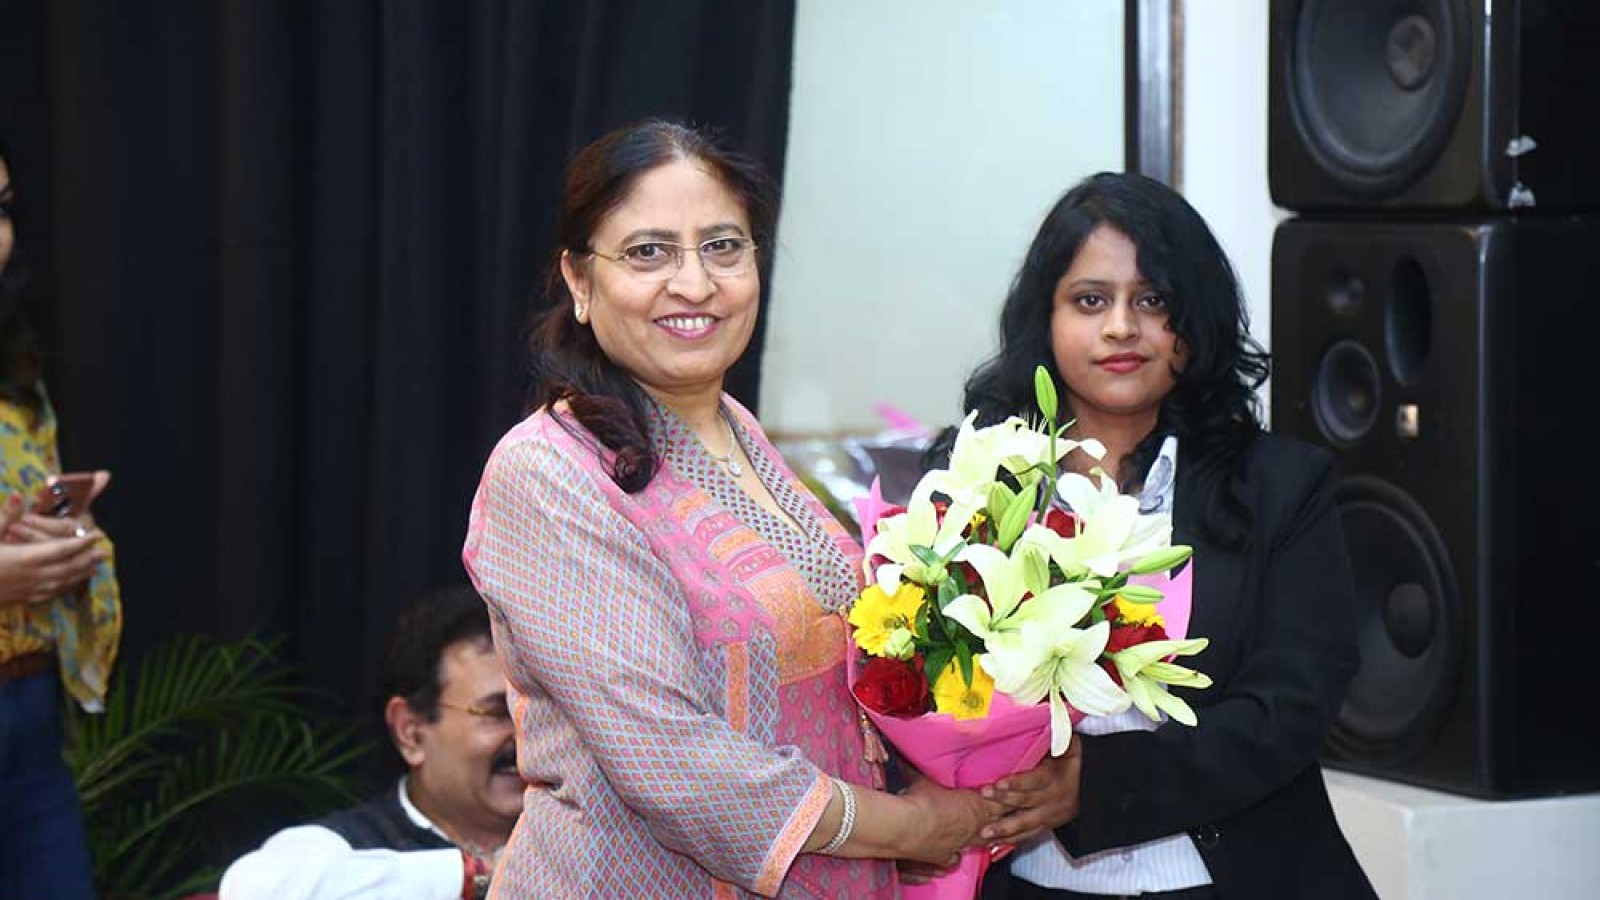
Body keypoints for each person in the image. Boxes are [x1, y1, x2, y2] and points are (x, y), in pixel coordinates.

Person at [460, 118, 1003, 898]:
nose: (694, 284)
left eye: (722, 246)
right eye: (648, 252)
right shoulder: (548, 472)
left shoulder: (736, 430)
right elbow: (668, 759)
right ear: (580, 281)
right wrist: (912, 827)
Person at [929, 172, 1376, 899]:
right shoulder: (975, 474)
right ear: (1045, 316)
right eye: (1090, 300)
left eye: (1153, 300)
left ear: (1195, 319)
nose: (1120, 328)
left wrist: (1099, 785)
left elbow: (1292, 705)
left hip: (1232, 882)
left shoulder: (1281, 485)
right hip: (1026, 883)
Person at [220, 584, 519, 900]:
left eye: (538, 717)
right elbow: (251, 890)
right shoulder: (346, 847)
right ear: (410, 732)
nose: (527, 739)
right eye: (498, 712)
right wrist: (476, 876)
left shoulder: (558, 841)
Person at [0, 132, 121, 900]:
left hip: (27, 718)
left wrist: (68, 543)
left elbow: (38, 505)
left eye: (1, 209)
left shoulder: (15, 374)